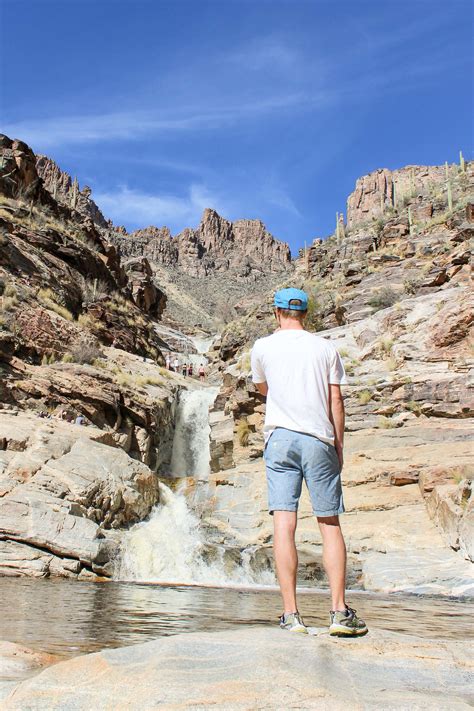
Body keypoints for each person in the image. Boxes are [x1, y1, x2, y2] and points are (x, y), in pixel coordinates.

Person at [250, 287, 367, 638]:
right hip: (319, 438)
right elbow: (337, 401)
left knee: (284, 523)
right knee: (329, 523)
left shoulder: (262, 347)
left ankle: (291, 615)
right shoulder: (325, 347)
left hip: (280, 439)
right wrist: (339, 445)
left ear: (277, 312)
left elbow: (263, 390)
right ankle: (338, 612)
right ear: (305, 313)